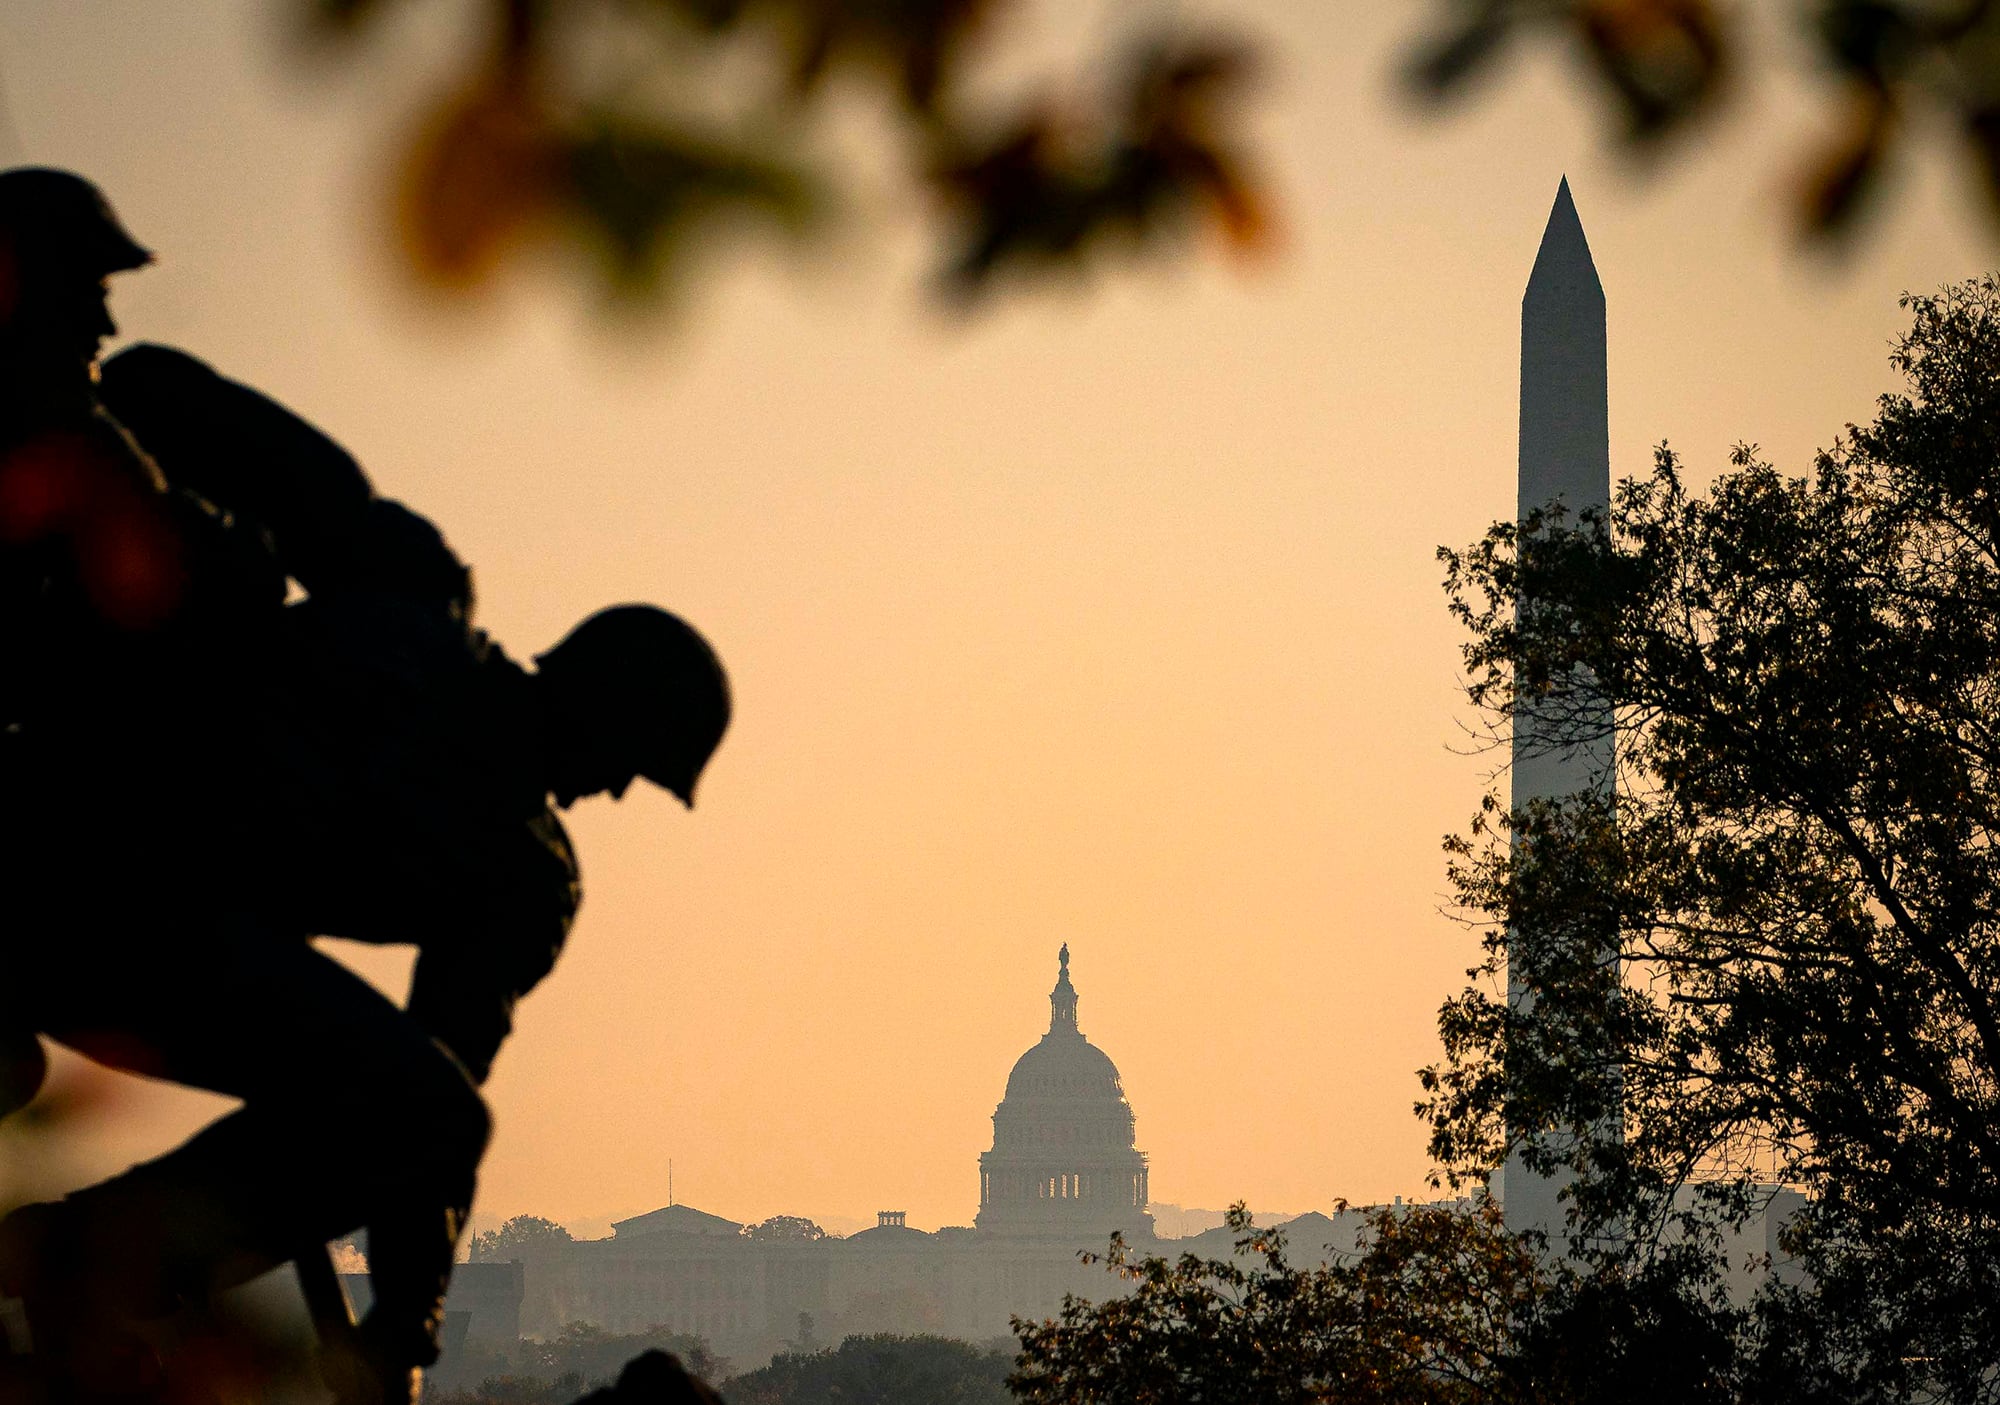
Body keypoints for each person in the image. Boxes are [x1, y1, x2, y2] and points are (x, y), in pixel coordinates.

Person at [0, 169, 732, 1404]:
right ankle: (83, 1264)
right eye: (631, 765)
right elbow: (164, 395)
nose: (608, 792)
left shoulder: (513, 875)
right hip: (85, 854)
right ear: (605, 708)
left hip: (152, 932)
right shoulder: (420, 618)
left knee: (413, 1113)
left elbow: (425, 1117)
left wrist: (401, 1321)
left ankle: (84, 1258)